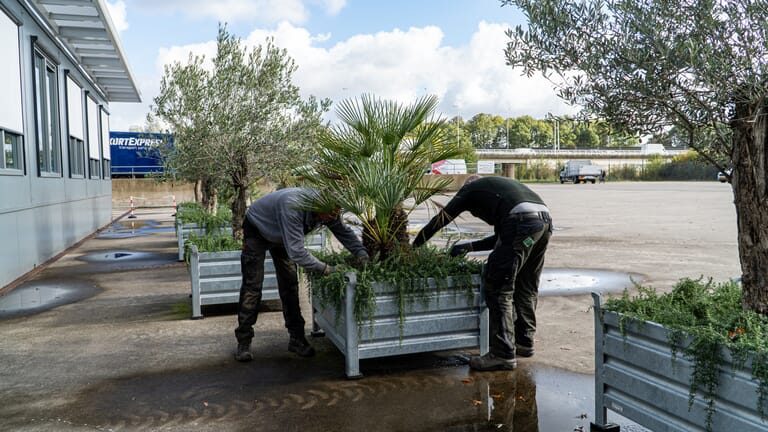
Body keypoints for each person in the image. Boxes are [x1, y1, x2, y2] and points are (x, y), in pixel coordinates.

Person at [412, 175, 552, 371]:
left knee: (498, 286)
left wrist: (414, 247)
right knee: (526, 285)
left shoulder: (469, 189)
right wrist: (468, 246)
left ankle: (502, 354)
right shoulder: (501, 189)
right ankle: (524, 341)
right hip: (543, 223)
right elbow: (505, 237)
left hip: (521, 222)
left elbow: (441, 219)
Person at [234, 188, 369, 362]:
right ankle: (243, 341)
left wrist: (361, 253)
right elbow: (297, 253)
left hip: (282, 235)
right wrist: (327, 269)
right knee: (253, 286)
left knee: (290, 284)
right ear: (319, 205)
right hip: (258, 229)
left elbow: (343, 232)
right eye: (331, 212)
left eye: (337, 211)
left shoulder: (328, 209)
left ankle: (296, 339)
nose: (334, 216)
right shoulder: (293, 207)